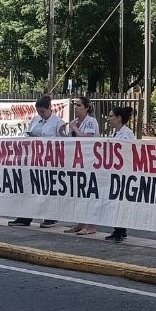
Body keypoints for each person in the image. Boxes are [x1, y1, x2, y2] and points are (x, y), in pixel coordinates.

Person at [8, 95, 66, 228]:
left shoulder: (58, 122)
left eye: (43, 112)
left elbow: (63, 142)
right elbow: (27, 134)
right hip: (34, 159)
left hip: (50, 160)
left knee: (48, 189)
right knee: (29, 187)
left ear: (49, 109)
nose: (41, 114)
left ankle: (50, 217)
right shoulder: (35, 119)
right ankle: (25, 216)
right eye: (39, 111)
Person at [63, 96, 100, 236]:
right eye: (75, 105)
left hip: (90, 161)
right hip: (77, 161)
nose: (76, 108)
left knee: (89, 192)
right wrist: (64, 130)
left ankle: (91, 225)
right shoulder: (76, 122)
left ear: (86, 108)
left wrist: (74, 128)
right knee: (79, 193)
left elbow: (87, 139)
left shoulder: (91, 122)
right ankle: (81, 223)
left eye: (79, 105)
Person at [104, 106, 136, 244]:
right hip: (115, 172)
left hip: (124, 172)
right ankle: (117, 229)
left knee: (121, 202)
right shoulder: (115, 133)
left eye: (111, 116)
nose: (109, 119)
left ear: (119, 118)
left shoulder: (127, 134)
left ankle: (121, 230)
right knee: (115, 202)